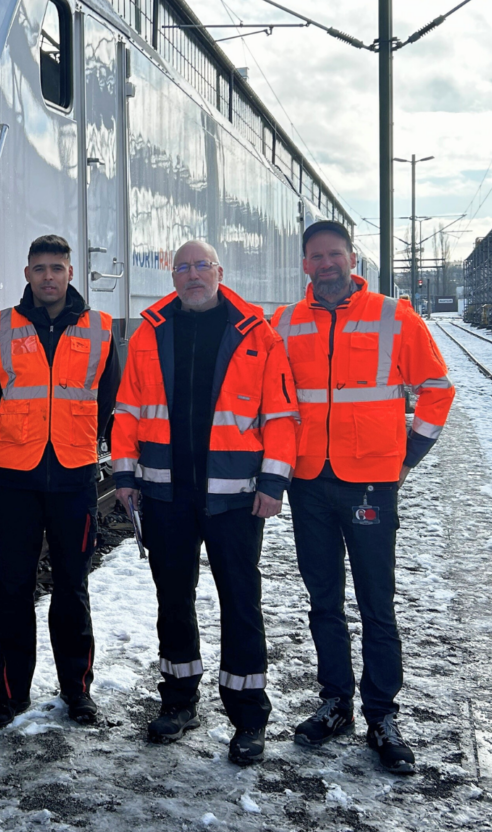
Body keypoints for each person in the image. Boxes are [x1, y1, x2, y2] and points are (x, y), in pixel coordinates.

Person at [273, 220, 455, 774]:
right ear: (304, 264)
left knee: (377, 602)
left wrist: (407, 457)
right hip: (309, 480)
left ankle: (382, 714)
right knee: (323, 599)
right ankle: (336, 702)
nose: (326, 264)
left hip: (371, 480)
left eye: (335, 254)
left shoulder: (394, 316)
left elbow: (437, 389)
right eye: (316, 256)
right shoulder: (285, 322)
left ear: (352, 259)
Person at [111, 240, 298, 765]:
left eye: (201, 266)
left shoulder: (256, 333)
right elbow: (127, 408)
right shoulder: (150, 331)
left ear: (219, 271)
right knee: (173, 599)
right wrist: (124, 474)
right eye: (183, 267)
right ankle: (178, 701)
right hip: (166, 492)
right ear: (172, 276)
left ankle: (248, 717)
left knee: (240, 601)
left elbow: (281, 416)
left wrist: (273, 483)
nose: (193, 275)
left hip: (235, 496)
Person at [0, 234, 120, 728]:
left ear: (70, 273)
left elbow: (108, 400)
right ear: (27, 275)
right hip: (17, 478)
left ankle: (77, 690)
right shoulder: (2, 327)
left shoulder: (99, 328)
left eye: (57, 268)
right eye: (39, 268)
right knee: (14, 588)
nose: (48, 277)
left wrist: (82, 440)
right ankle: (11, 694)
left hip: (74, 477)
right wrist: (7, 452)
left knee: (72, 587)